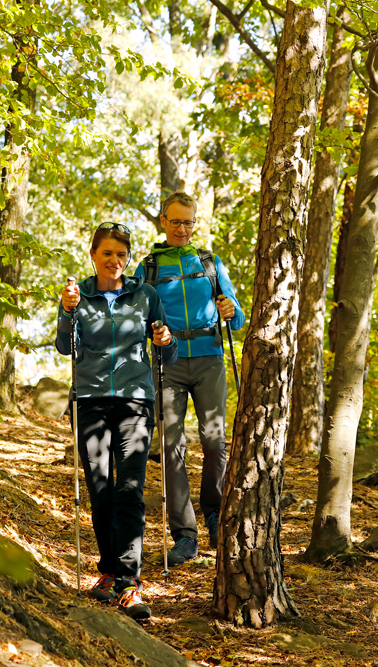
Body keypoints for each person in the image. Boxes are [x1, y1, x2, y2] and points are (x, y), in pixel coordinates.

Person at [56, 222, 177, 621]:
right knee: (100, 487)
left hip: (136, 400)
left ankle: (129, 582)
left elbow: (167, 351)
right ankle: (108, 570)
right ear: (93, 255)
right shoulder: (81, 295)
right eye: (107, 253)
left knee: (129, 488)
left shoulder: (145, 295)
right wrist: (66, 310)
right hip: (90, 400)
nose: (115, 261)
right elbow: (63, 346)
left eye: (122, 255)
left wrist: (165, 341)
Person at [133, 191, 244, 566]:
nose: (182, 228)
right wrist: (151, 332)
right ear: (163, 222)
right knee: (171, 446)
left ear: (195, 223)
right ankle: (185, 535)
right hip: (168, 362)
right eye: (175, 221)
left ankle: (213, 514)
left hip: (210, 359)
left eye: (188, 222)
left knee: (215, 442)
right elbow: (134, 321)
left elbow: (238, 317)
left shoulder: (209, 262)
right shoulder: (147, 268)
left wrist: (231, 309)